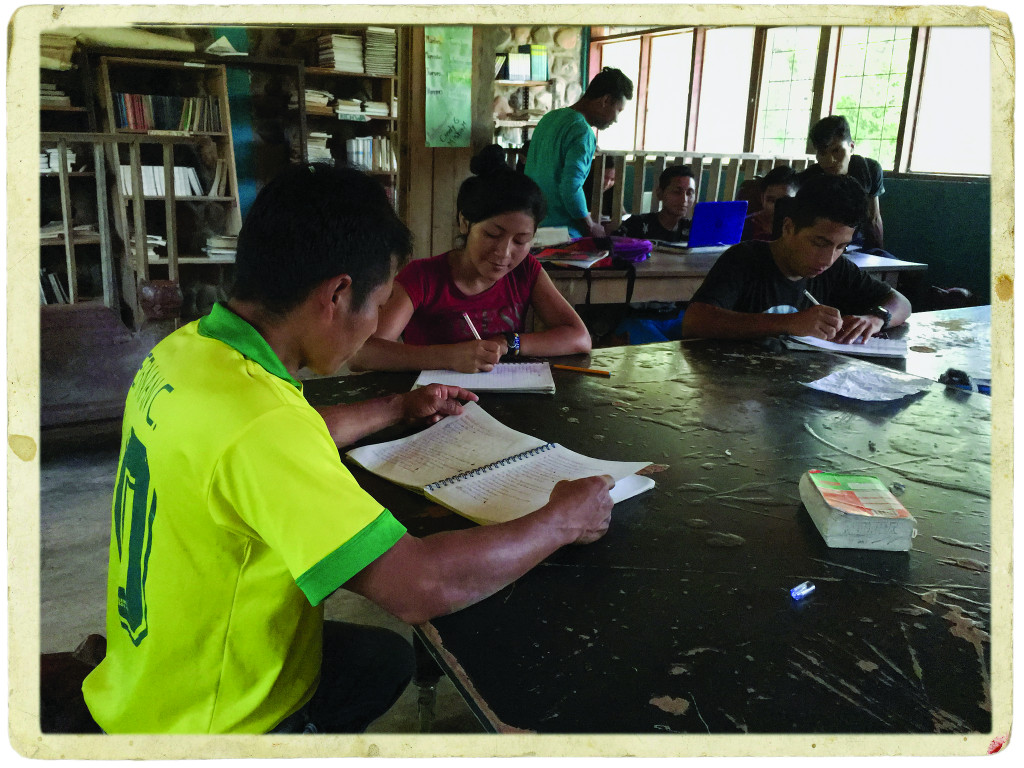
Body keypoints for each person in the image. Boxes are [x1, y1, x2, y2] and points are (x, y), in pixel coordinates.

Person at [81, 163, 614, 734]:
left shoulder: (190, 351)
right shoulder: (262, 428)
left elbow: (267, 440)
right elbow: (420, 586)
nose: (374, 328)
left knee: (383, 661)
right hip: (214, 718)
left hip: (152, 664)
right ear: (337, 293)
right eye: (378, 306)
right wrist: (561, 520)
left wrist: (395, 407)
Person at [351, 145, 592, 373]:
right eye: (492, 234)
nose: (504, 253)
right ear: (465, 222)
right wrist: (449, 357)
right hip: (430, 405)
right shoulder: (422, 278)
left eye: (520, 241)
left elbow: (579, 338)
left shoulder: (525, 270)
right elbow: (362, 353)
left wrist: (508, 342)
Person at [680, 174, 911, 343]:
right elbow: (695, 321)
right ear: (789, 227)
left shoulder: (836, 269)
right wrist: (790, 323)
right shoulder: (745, 260)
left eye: (841, 246)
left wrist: (877, 318)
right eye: (819, 243)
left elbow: (901, 302)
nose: (828, 258)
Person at [524, 67, 634, 239]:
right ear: (605, 100)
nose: (616, 119)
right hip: (562, 234)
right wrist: (591, 226)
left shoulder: (549, 118)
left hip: (532, 225)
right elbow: (570, 188)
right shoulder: (582, 131)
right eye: (618, 110)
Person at [799, 115, 886, 251]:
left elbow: (874, 218)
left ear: (851, 147)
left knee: (908, 272)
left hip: (860, 247)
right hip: (824, 248)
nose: (830, 160)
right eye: (822, 153)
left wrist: (878, 255)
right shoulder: (809, 180)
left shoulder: (869, 170)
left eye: (836, 150)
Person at [613, 165, 696, 243]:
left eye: (690, 193)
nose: (684, 200)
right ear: (660, 193)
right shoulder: (636, 225)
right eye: (677, 192)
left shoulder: (695, 229)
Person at [741, 165, 798, 242]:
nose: (776, 207)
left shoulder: (801, 228)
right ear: (762, 198)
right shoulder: (745, 226)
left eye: (784, 201)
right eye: (771, 200)